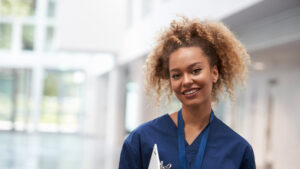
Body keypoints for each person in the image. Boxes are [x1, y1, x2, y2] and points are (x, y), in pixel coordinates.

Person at [118, 17, 256, 169]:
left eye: (195, 71)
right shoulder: (142, 140)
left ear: (214, 73)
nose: (186, 81)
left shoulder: (238, 150)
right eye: (176, 75)